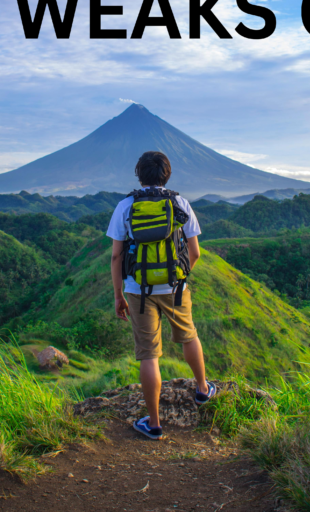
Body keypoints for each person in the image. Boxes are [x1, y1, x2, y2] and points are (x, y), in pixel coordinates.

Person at [106, 150, 216, 440]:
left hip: (137, 290)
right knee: (189, 335)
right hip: (175, 287)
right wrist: (179, 278)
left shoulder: (126, 206)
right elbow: (195, 252)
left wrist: (119, 294)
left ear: (139, 174)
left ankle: (154, 424)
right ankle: (203, 390)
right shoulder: (179, 202)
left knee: (148, 354)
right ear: (167, 174)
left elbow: (117, 257)